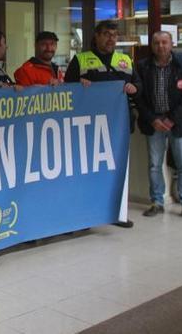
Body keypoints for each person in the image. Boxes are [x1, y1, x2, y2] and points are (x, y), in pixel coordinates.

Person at [64, 20, 139, 228]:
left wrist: (134, 87)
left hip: (119, 126)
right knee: (88, 173)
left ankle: (119, 214)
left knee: (118, 172)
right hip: (88, 128)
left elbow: (139, 85)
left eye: (114, 35)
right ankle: (87, 215)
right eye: (106, 34)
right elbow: (67, 90)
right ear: (96, 36)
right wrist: (79, 86)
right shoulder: (81, 60)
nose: (111, 38)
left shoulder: (125, 60)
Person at [134, 31, 182, 222]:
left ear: (172, 44)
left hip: (178, 123)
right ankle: (157, 202)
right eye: (156, 43)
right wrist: (152, 119)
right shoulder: (143, 66)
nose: (161, 46)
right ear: (152, 46)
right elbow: (138, 97)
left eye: (165, 42)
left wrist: (172, 119)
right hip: (154, 123)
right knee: (155, 165)